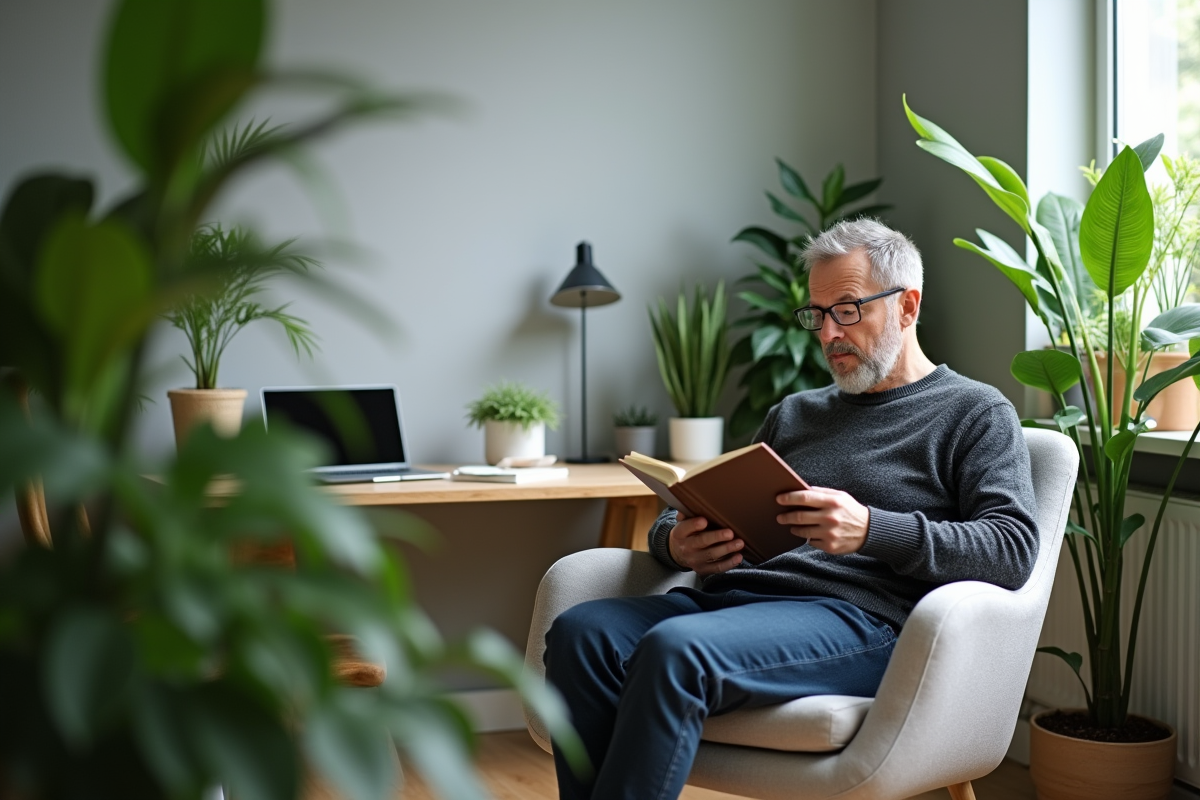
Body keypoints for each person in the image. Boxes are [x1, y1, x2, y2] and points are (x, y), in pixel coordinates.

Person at [542, 218, 1039, 800]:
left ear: (907, 307)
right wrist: (675, 542)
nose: (828, 333)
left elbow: (1011, 549)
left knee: (675, 652)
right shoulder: (795, 414)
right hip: (735, 603)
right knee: (581, 633)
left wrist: (871, 530)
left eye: (848, 310)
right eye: (818, 314)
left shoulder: (974, 412)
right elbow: (702, 503)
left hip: (861, 622)